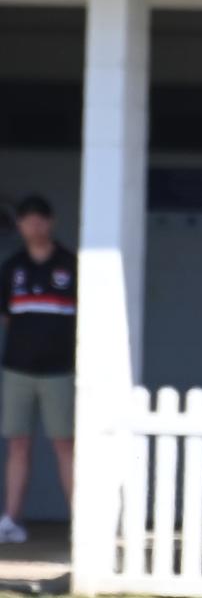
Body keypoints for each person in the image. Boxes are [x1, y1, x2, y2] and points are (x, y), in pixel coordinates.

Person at [0, 196, 76, 544]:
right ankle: (11, 520)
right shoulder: (12, 267)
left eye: (39, 218)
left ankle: (80, 523)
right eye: (27, 219)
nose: (34, 225)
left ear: (51, 221)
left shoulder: (70, 264)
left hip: (60, 371)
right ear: (19, 225)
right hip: (17, 370)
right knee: (18, 444)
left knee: (65, 445)